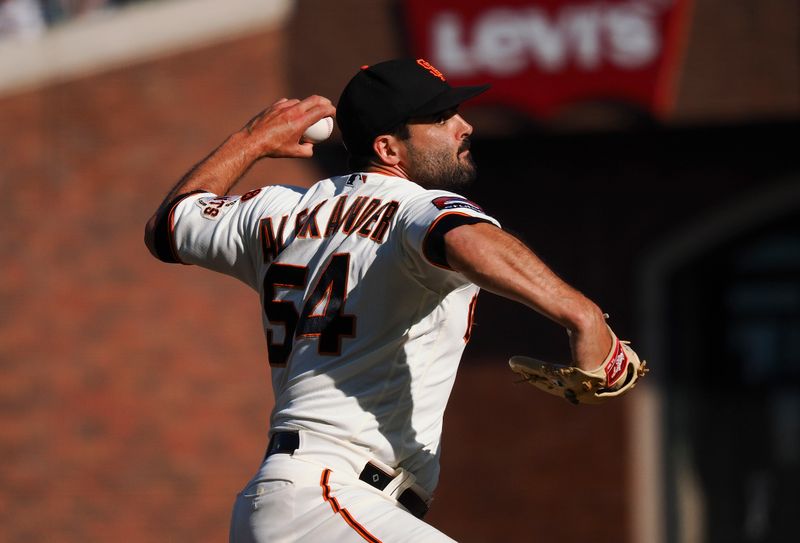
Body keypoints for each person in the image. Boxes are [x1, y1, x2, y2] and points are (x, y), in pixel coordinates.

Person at [145, 58, 612, 542]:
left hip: (306, 500)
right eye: (439, 118)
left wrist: (252, 141)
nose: (463, 126)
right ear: (388, 147)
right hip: (329, 497)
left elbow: (170, 224)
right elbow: (463, 239)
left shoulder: (278, 209)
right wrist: (583, 314)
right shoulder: (416, 207)